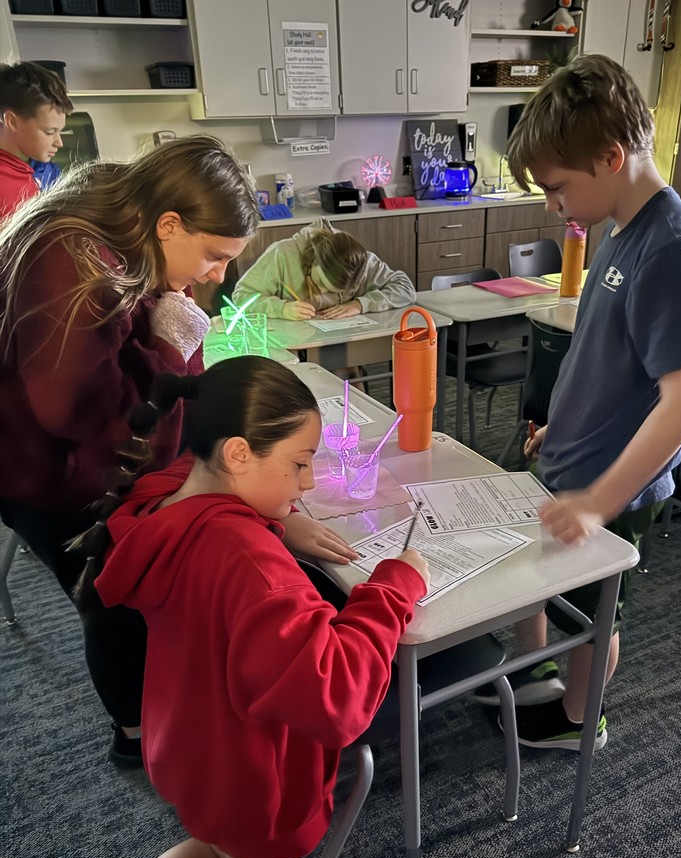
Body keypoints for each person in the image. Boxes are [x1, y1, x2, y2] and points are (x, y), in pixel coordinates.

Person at [0, 355, 429, 858]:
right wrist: (395, 586)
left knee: (210, 850)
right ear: (236, 452)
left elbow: (208, 501)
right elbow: (337, 695)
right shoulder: (253, 568)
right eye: (298, 462)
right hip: (254, 774)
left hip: (187, 746)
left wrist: (278, 517)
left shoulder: (162, 496)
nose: (308, 480)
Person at [0, 135, 264, 767]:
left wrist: (209, 445)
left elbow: (174, 388)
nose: (219, 276)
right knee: (112, 595)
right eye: (214, 256)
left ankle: (164, 704)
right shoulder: (73, 257)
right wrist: (168, 350)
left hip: (87, 458)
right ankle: (136, 737)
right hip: (43, 472)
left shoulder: (137, 229)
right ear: (170, 223)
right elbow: (74, 412)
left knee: (149, 580)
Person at [489, 53, 681, 751]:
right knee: (551, 595)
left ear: (611, 156)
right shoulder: (618, 227)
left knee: (595, 618)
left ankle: (578, 720)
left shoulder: (673, 247)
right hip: (572, 457)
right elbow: (612, 362)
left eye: (557, 188)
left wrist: (600, 500)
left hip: (616, 489)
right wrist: (562, 427)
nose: (553, 205)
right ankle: (542, 677)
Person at [232, 216, 416, 321]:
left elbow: (405, 288)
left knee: (348, 371)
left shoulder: (363, 263)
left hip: (338, 339)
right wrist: (282, 309)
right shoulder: (282, 254)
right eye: (320, 282)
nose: (323, 292)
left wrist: (360, 304)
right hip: (292, 346)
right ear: (314, 260)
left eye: (333, 291)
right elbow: (241, 296)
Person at [0, 61, 72, 217]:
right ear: (12, 122)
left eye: (60, 131)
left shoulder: (48, 171)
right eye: (49, 132)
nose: (59, 142)